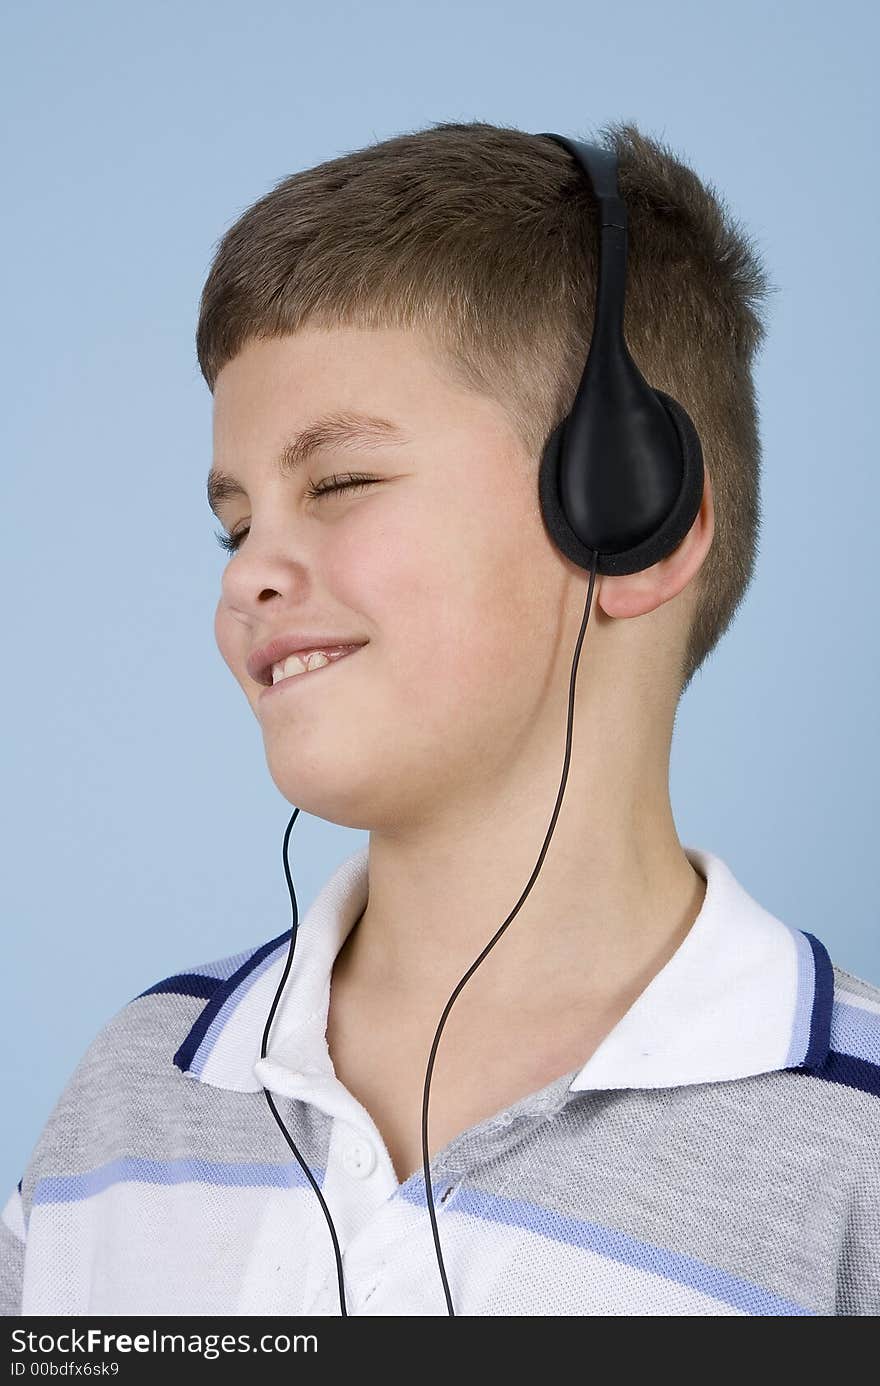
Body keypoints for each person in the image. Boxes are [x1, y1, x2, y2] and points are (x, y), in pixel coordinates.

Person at [2, 119, 878, 1318]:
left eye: (341, 483)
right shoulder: (138, 1088)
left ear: (633, 519)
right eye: (235, 521)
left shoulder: (854, 1154)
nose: (246, 571)